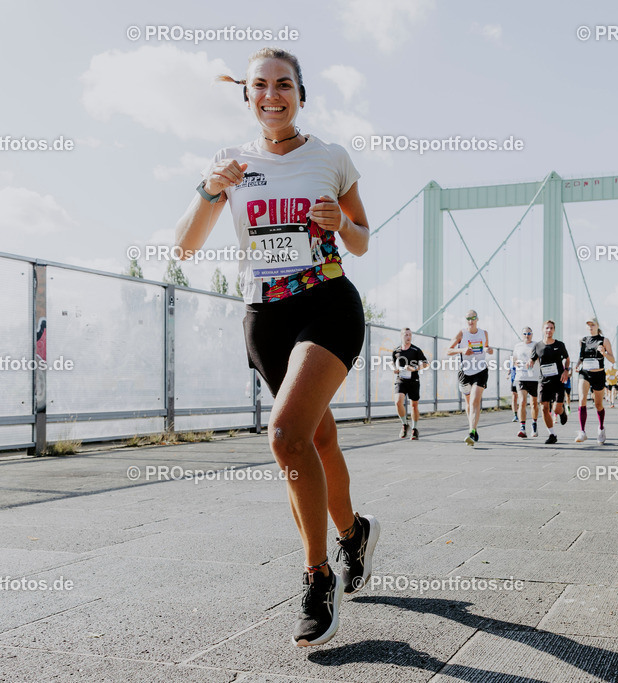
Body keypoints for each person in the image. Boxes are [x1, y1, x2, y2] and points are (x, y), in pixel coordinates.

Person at [173, 47, 379, 648]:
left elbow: (363, 240)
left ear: (301, 94)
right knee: (316, 438)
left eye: (284, 84)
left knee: (286, 434)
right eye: (260, 86)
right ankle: (353, 533)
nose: (272, 95)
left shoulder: (331, 157)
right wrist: (211, 191)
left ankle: (317, 577)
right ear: (247, 97)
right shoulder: (230, 162)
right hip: (264, 314)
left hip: (327, 302)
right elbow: (184, 249)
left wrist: (339, 224)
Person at [447, 309, 493, 446]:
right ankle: (473, 427)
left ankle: (471, 432)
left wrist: (489, 350)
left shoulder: (484, 333)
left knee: (474, 401)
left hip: (480, 371)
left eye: (473, 318)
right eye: (468, 319)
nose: (471, 321)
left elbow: (486, 347)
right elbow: (448, 350)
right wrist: (462, 350)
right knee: (468, 403)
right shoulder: (462, 333)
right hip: (465, 372)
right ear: (465, 320)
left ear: (477, 319)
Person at [574, 317, 615, 445]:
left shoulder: (604, 340)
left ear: (597, 326)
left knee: (598, 404)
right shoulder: (583, 340)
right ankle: (582, 431)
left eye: (593, 325)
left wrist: (604, 353)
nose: (590, 327)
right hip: (585, 373)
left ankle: (601, 428)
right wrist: (577, 364)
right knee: (582, 399)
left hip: (598, 374)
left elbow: (612, 360)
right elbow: (581, 357)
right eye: (588, 325)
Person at [536, 320, 570, 445]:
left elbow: (567, 358)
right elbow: (532, 358)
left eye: (551, 328)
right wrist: (528, 362)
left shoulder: (560, 345)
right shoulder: (538, 346)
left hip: (558, 380)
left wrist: (566, 370)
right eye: (547, 328)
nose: (549, 330)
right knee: (544, 408)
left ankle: (562, 412)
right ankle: (552, 434)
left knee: (556, 409)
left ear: (554, 330)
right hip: (544, 381)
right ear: (543, 329)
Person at [393, 327, 428, 440]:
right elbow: (393, 363)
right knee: (398, 402)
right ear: (401, 336)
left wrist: (415, 368)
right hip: (401, 380)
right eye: (406, 335)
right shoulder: (396, 351)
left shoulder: (416, 350)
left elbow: (426, 364)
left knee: (414, 405)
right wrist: (395, 369)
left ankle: (414, 428)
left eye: (410, 335)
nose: (408, 337)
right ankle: (404, 424)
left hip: (413, 380)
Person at [511, 327, 541, 438]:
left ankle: (534, 424)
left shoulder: (537, 345)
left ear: (532, 334)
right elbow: (514, 359)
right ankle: (522, 428)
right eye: (525, 333)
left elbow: (541, 358)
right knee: (522, 401)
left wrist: (533, 360)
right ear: (522, 335)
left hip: (534, 377)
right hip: (521, 377)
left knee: (533, 403)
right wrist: (515, 363)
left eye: (529, 333)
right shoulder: (517, 346)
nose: (527, 335)